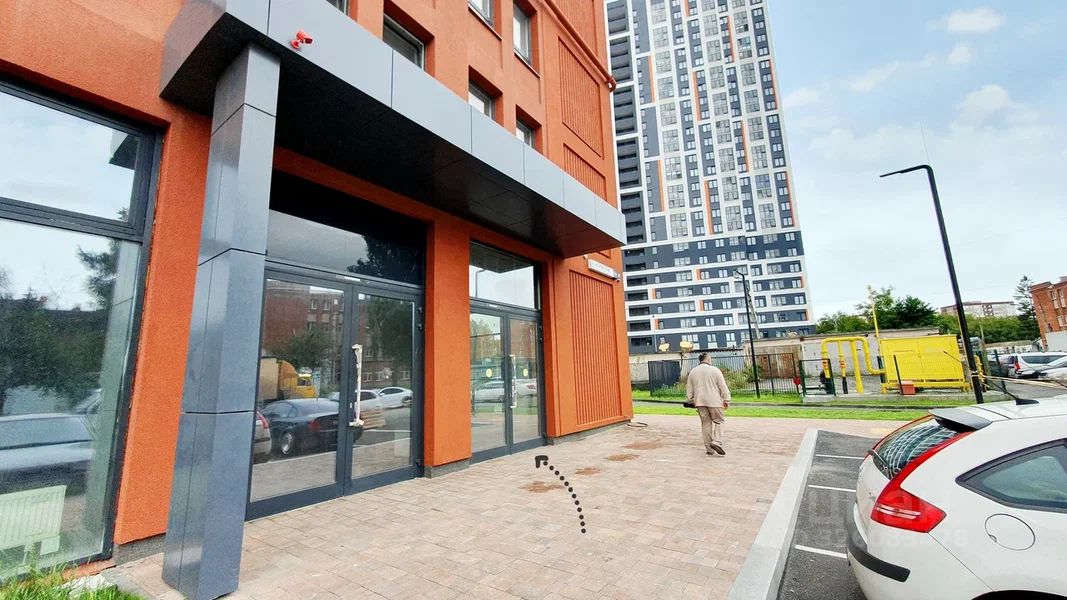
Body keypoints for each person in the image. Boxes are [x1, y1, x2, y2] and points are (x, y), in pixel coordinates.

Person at [685, 352, 732, 456]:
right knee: (719, 421)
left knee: (705, 423)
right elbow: (722, 386)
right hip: (714, 401)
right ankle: (717, 441)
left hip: (700, 401)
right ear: (708, 359)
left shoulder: (693, 372)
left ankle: (709, 449)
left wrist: (690, 400)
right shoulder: (715, 370)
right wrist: (726, 399)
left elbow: (689, 389)